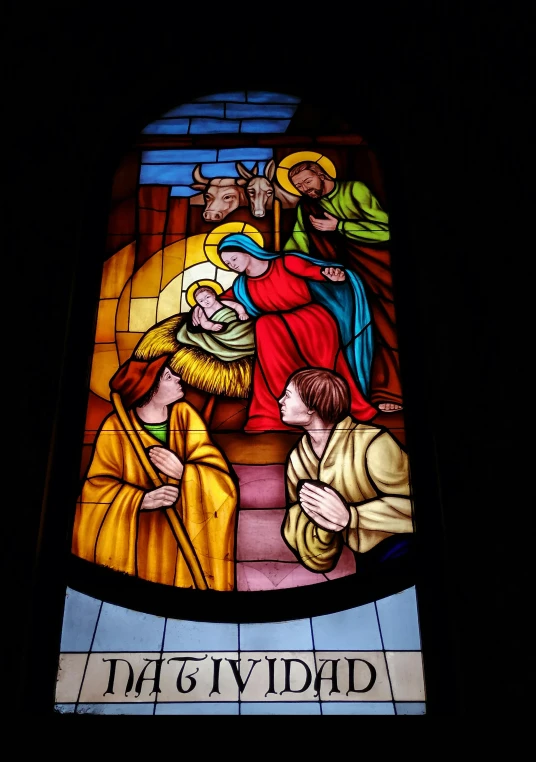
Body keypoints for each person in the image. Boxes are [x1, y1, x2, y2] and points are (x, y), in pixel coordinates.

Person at [72, 354, 238, 591]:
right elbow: (94, 491)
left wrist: (185, 473)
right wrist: (140, 500)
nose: (178, 378)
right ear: (148, 388)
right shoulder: (116, 428)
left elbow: (222, 481)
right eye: (168, 376)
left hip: (185, 544)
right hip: (140, 543)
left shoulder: (185, 416)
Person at [216, 232, 378, 432]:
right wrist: (205, 306)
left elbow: (316, 272)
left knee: (267, 326)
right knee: (265, 326)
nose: (231, 264)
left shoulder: (286, 262)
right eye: (227, 263)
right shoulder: (241, 285)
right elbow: (219, 299)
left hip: (312, 322)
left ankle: (333, 407)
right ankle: (277, 413)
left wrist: (332, 275)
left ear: (248, 250)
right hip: (277, 333)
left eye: (233, 258)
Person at [283, 160, 403, 413]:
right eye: (298, 186)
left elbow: (387, 230)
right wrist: (282, 266)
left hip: (376, 269)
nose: (304, 188)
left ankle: (390, 390)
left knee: (385, 327)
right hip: (340, 278)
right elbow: (298, 242)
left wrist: (341, 226)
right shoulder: (307, 207)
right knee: (348, 329)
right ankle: (354, 392)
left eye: (307, 181)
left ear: (322, 174)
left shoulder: (355, 190)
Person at [279, 368, 414, 574]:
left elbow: (413, 505)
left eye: (288, 395)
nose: (280, 401)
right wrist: (324, 525)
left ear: (311, 405)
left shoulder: (373, 443)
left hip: (403, 549)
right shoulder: (298, 457)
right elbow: (296, 518)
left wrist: (352, 516)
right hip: (363, 560)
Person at [176, 285, 255, 362]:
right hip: (223, 331)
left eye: (207, 297)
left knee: (250, 328)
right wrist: (212, 326)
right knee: (230, 335)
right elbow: (204, 323)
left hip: (236, 324)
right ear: (198, 304)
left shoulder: (223, 303)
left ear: (214, 295)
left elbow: (236, 305)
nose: (205, 301)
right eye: (201, 301)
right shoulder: (203, 312)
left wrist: (242, 313)